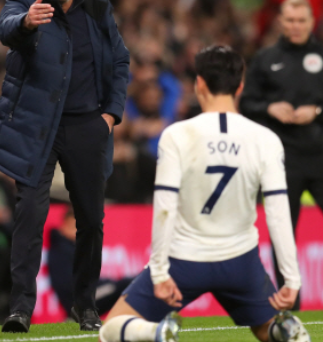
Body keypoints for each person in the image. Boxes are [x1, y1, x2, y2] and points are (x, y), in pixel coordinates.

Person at [100, 46, 309, 342]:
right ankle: (283, 331)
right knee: (266, 329)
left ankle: (156, 332)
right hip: (241, 262)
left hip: (185, 259)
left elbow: (165, 206)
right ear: (240, 86)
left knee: (111, 329)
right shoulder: (266, 139)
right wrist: (291, 278)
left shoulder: (177, 135)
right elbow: (278, 212)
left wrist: (159, 271)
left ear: (199, 84)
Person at [0, 0, 129, 333]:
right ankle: (20, 309)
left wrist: (110, 115)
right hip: (37, 128)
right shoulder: (23, 3)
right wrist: (26, 23)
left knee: (91, 220)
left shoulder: (98, 9)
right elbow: (6, 30)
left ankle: (85, 306)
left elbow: (120, 60)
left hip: (87, 126)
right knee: (29, 216)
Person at [240, 0, 323, 308]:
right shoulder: (266, 58)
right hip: (281, 159)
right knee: (283, 231)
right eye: (290, 20)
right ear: (280, 21)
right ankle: (291, 303)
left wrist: (316, 111)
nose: (295, 26)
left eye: (301, 20)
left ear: (312, 22)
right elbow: (247, 103)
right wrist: (269, 108)